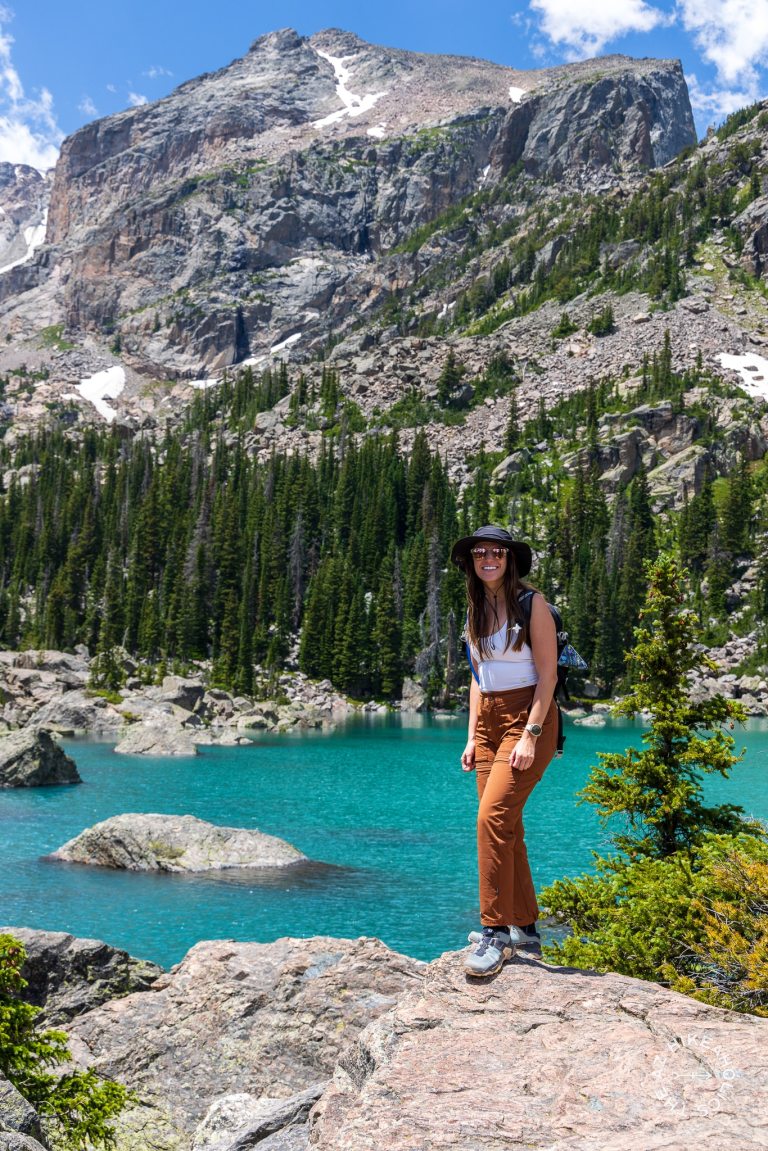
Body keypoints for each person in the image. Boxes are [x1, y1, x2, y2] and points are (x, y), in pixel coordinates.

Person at [450, 524, 558, 977]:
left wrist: (531, 735)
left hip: (528, 717)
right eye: (479, 553)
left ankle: (494, 933)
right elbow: (479, 679)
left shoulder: (533, 606)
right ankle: (525, 928)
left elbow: (548, 678)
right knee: (505, 825)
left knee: (490, 818)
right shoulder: (476, 607)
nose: (487, 559)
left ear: (510, 558)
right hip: (490, 724)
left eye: (496, 552)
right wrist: (473, 735)